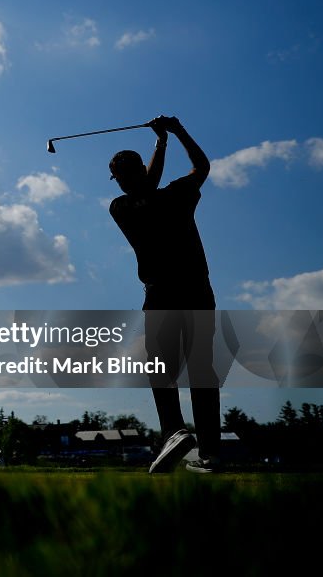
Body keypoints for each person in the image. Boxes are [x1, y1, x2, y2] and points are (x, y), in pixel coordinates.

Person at [108, 115, 221, 474]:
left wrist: (163, 142)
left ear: (123, 179)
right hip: (198, 290)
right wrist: (173, 133)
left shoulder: (122, 206)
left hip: (161, 294)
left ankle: (174, 433)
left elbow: (144, 185)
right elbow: (201, 167)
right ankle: (208, 452)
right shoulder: (173, 195)